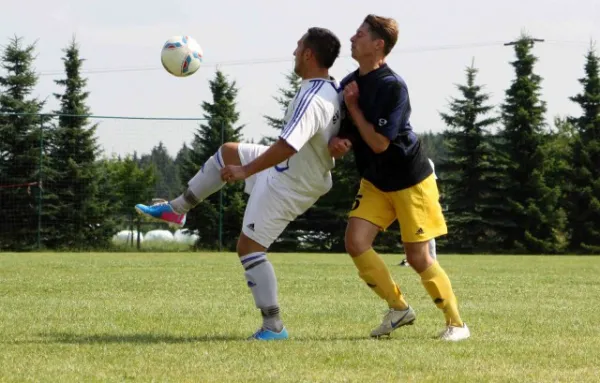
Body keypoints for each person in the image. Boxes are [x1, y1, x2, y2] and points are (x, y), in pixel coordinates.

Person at [135, 27, 342, 341]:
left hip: (293, 180)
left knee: (248, 247)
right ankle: (178, 209)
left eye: (298, 46)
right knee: (228, 151)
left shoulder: (313, 97)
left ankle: (274, 327)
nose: (294, 51)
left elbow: (288, 145)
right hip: (292, 168)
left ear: (309, 54)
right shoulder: (329, 87)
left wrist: (246, 170)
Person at [329, 14, 470, 341]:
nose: (352, 38)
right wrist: (338, 143)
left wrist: (354, 109)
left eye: (360, 34)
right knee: (355, 242)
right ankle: (398, 308)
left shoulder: (393, 87)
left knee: (417, 257)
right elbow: (349, 132)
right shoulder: (351, 82)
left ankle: (457, 324)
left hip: (410, 180)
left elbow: (379, 142)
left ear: (378, 45)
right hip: (377, 180)